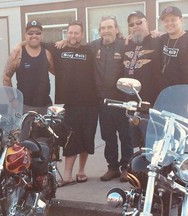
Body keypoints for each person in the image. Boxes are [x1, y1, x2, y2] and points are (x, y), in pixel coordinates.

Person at [46, 21, 98, 187]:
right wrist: (21, 44)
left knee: (86, 137)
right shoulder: (58, 48)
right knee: (70, 138)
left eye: (76, 33)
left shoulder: (89, 50)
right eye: (70, 33)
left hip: (91, 103)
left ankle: (81, 170)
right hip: (70, 104)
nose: (73, 36)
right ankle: (67, 175)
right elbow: (36, 41)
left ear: (82, 35)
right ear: (66, 33)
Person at [89, 16, 132, 182]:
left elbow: (146, 40)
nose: (106, 31)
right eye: (103, 28)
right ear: (99, 31)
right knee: (108, 136)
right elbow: (75, 45)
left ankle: (126, 167)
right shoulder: (93, 46)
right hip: (103, 101)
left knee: (125, 136)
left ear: (117, 29)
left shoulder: (125, 45)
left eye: (109, 27)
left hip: (122, 101)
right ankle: (112, 167)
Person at [123, 11, 163, 148]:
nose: (135, 26)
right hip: (132, 105)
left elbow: (179, 39)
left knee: (153, 143)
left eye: (139, 22)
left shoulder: (159, 40)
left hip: (152, 104)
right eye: (131, 24)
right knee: (136, 144)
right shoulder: (127, 44)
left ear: (147, 23)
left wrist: (160, 34)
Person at [159, 6, 188, 114]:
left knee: (187, 130)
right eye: (166, 20)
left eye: (173, 20)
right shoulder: (162, 39)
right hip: (168, 98)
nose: (169, 23)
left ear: (181, 20)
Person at [3, 20, 55, 115]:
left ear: (42, 35)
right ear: (25, 35)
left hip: (45, 106)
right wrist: (12, 101)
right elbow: (6, 77)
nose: (34, 35)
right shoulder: (17, 54)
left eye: (37, 33)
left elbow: (58, 73)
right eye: (30, 33)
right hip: (24, 107)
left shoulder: (47, 54)